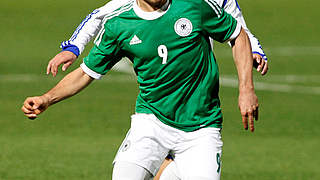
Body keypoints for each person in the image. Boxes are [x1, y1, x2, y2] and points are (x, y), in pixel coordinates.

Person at [22, 0, 259, 179]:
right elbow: (86, 72)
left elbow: (238, 34)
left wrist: (246, 89)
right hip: (151, 123)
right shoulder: (119, 24)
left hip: (201, 127)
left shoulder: (193, 6)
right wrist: (46, 98)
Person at [46, 0, 268, 77]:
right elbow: (99, 15)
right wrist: (74, 47)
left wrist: (255, 50)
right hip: (158, 79)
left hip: (199, 83)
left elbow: (239, 28)